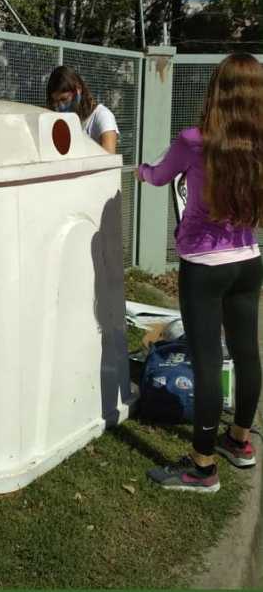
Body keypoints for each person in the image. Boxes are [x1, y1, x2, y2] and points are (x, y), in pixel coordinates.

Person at [134, 52, 262, 493]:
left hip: (204, 268)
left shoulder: (195, 141)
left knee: (207, 363)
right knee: (248, 355)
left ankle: (202, 468)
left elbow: (158, 176)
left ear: (218, 91)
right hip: (249, 259)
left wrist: (141, 171)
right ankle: (240, 442)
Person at [45, 65, 119, 153]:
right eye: (56, 102)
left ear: (78, 88)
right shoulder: (67, 119)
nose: (61, 106)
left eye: (64, 99)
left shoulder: (103, 116)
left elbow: (109, 159)